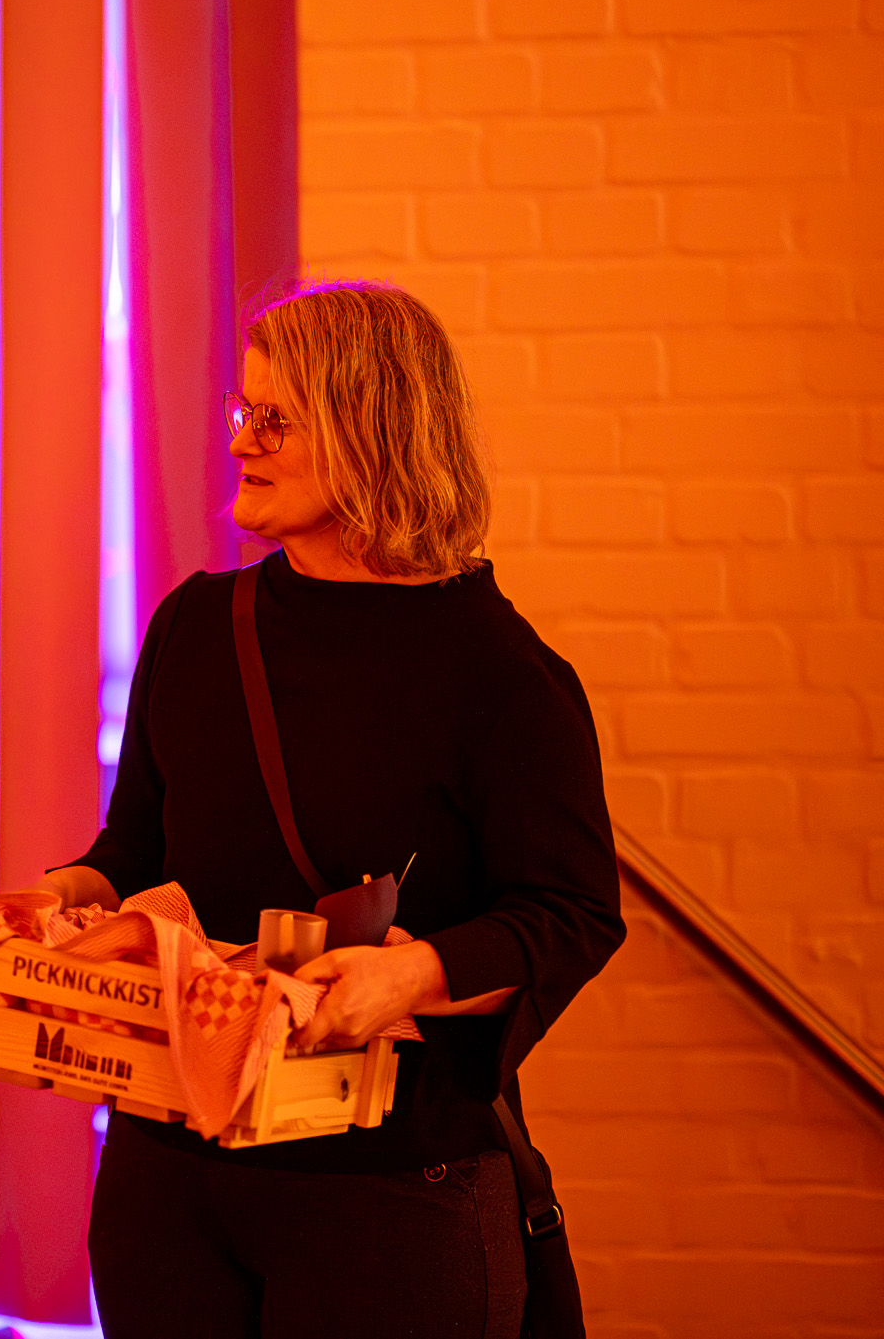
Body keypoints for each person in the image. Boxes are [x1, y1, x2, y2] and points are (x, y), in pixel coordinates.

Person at [43, 281, 623, 1338]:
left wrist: (411, 972)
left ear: (372, 431)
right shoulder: (195, 624)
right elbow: (134, 850)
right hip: (168, 1169)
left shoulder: (499, 672)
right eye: (242, 411)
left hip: (391, 1188)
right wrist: (61, 899)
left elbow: (572, 912)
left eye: (275, 419)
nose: (240, 442)